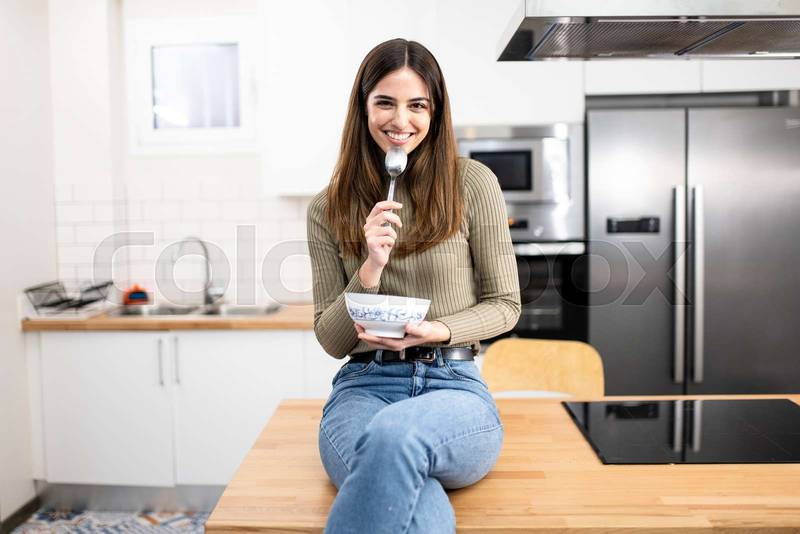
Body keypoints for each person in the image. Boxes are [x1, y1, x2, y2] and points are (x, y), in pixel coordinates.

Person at [306, 38, 520, 534]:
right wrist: (369, 267)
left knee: (396, 435)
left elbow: (505, 306)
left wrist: (439, 330)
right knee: (402, 474)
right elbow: (332, 340)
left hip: (455, 387)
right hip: (365, 389)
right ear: (362, 109)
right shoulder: (327, 207)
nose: (400, 120)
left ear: (435, 112)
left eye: (416, 105)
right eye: (385, 102)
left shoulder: (473, 184)